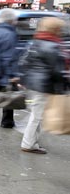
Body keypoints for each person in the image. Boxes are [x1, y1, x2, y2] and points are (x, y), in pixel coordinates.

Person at [19, 17, 68, 154]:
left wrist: (23, 79)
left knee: (37, 113)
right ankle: (28, 144)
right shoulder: (53, 45)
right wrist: (63, 87)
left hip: (33, 83)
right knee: (37, 116)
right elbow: (58, 70)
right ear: (55, 29)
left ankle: (30, 140)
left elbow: (23, 62)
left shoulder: (35, 41)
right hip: (44, 85)